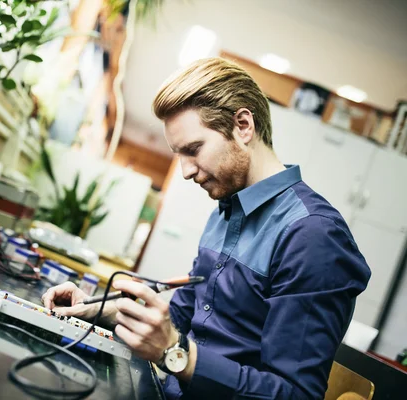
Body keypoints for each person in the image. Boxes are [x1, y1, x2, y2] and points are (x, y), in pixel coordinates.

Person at [41, 58, 371, 399]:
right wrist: (96, 310)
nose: (185, 171)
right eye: (178, 154)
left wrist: (174, 354)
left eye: (194, 150)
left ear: (243, 126)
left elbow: (294, 394)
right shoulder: (227, 209)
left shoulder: (313, 237)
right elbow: (184, 313)